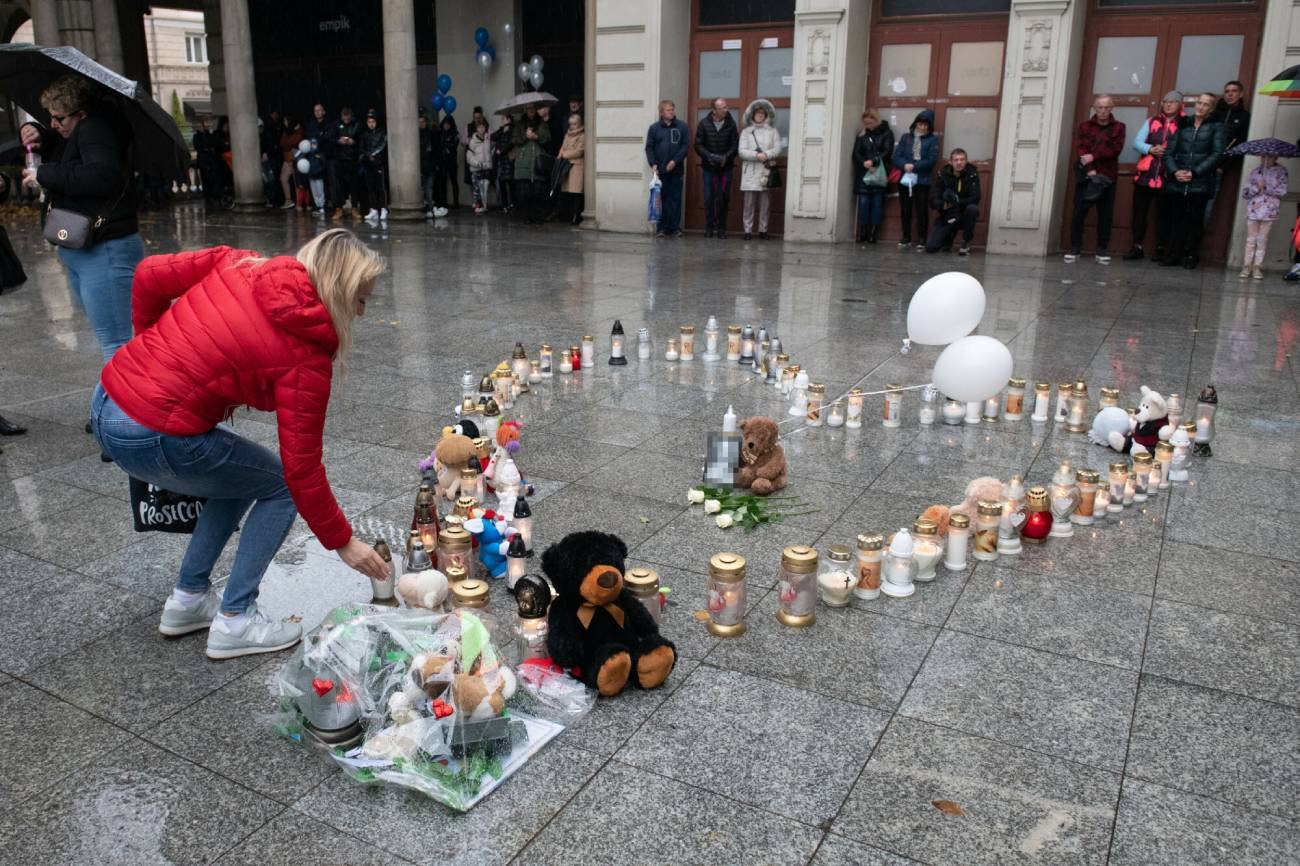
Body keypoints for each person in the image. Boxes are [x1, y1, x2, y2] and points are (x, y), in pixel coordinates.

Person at [92, 231, 390, 659]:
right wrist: (344, 542)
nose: (362, 312)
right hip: (153, 430)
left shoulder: (239, 262)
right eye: (361, 299)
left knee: (239, 474)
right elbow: (301, 469)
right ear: (339, 292)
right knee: (278, 486)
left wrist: (148, 349)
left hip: (107, 402)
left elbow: (147, 275)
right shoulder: (305, 355)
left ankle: (189, 600)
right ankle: (236, 619)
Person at [20, 76, 143, 364]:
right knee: (112, 341)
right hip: (86, 249)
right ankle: (119, 407)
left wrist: (43, 174)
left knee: (117, 346)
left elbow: (102, 176)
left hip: (105, 249)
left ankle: (123, 410)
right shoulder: (82, 130)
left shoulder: (96, 130)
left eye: (58, 118)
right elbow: (72, 155)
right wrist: (36, 131)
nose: (53, 124)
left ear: (82, 114)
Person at [1159, 92, 1226, 269]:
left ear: (1211, 108)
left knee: (1196, 220)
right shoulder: (1183, 124)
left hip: (1200, 182)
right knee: (1176, 219)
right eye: (1199, 103)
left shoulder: (1217, 127)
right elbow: (1168, 153)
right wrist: (1175, 172)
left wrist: (1195, 172)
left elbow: (1217, 154)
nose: (1201, 107)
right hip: (1178, 181)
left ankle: (1190, 254)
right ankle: (1173, 254)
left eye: (1205, 104)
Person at [1064, 95, 1126, 264]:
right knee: (1079, 213)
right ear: (1094, 108)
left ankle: (1101, 250)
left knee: (1105, 215)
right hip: (1087, 176)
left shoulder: (1119, 127)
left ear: (1112, 108)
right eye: (1100, 107)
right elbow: (1082, 148)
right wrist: (1090, 169)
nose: (1103, 111)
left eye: (1107, 107)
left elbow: (1115, 150)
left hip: (1108, 176)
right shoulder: (1085, 126)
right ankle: (1075, 248)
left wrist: (1094, 156)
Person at [1123, 91, 1184, 261]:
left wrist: (1170, 153)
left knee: (1165, 214)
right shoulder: (1152, 121)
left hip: (1168, 176)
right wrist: (1150, 149)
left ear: (1180, 105)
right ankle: (1137, 246)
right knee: (1139, 213)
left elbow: (1187, 146)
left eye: (1173, 102)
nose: (1168, 105)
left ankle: (1161, 248)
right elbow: (1137, 142)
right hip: (1145, 176)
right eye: (1166, 101)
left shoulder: (1185, 123)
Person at [892, 109, 939, 250]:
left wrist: (915, 166)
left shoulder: (933, 140)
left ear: (930, 127)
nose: (922, 127)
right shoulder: (906, 137)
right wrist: (904, 165)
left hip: (922, 180)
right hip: (905, 179)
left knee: (921, 210)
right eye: (920, 124)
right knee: (905, 209)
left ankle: (922, 239)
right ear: (915, 123)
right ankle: (906, 237)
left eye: (926, 125)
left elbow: (931, 159)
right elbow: (896, 156)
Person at [694, 97, 739, 239]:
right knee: (709, 198)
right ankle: (709, 228)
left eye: (726, 106)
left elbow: (735, 145)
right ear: (714, 110)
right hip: (709, 169)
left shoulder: (731, 124)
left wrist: (726, 157)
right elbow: (698, 145)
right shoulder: (703, 124)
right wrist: (710, 156)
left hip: (725, 169)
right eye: (723, 107)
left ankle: (721, 229)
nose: (727, 109)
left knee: (724, 198)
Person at [645, 99, 690, 238]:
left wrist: (675, 161)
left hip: (676, 170)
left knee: (675, 199)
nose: (672, 112)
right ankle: (662, 228)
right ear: (661, 112)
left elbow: (685, 146)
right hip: (660, 171)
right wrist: (653, 163)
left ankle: (675, 227)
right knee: (661, 199)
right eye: (668, 110)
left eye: (672, 109)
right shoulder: (654, 128)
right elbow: (649, 147)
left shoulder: (681, 127)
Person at [1208, 80, 1251, 225]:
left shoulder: (1244, 116)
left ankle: (1194, 244)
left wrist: (1223, 167)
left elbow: (1241, 144)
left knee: (1209, 204)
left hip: (1219, 167)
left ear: (1241, 94)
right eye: (1227, 91)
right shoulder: (1215, 113)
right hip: (1202, 162)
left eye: (1234, 91)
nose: (1230, 94)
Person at [1238, 154, 1287, 280]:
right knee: (1251, 239)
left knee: (1262, 240)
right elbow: (1246, 193)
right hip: (1254, 210)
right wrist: (1256, 187)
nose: (1266, 160)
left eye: (1270, 157)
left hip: (1269, 211)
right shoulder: (1255, 171)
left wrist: (1267, 187)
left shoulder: (1281, 171)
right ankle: (1246, 266)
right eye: (1263, 157)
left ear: (1276, 158)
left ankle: (1257, 267)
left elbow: (1282, 191)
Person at [738, 99, 781, 241]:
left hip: (765, 171)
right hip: (750, 171)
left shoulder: (773, 131)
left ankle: (763, 230)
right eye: (758, 113)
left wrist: (767, 154)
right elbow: (742, 151)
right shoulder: (746, 132)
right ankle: (748, 230)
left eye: (763, 113)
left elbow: (778, 148)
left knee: (765, 203)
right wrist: (757, 155)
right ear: (753, 115)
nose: (760, 115)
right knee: (748, 203)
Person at [925, 148, 980, 255]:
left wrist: (957, 201)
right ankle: (948, 238)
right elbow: (933, 199)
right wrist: (943, 205)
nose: (959, 162)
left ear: (966, 161)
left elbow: (976, 198)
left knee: (972, 209)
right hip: (948, 215)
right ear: (950, 162)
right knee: (931, 247)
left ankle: (966, 242)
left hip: (964, 215)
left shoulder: (972, 175)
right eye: (956, 160)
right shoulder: (943, 175)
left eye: (962, 159)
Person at [851, 109, 894, 244]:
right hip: (865, 174)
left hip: (879, 173)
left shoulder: (887, 133)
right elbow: (856, 153)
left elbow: (887, 151)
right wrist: (864, 162)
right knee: (863, 204)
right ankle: (863, 231)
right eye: (865, 123)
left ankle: (873, 233)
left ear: (876, 120)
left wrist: (874, 161)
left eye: (870, 123)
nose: (868, 126)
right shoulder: (862, 135)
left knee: (877, 204)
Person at [513, 104, 551, 223]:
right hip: (523, 161)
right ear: (525, 110)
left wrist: (536, 136)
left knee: (538, 191)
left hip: (537, 161)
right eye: (528, 109)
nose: (531, 111)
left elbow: (548, 139)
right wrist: (526, 135)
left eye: (533, 108)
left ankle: (538, 216)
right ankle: (526, 217)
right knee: (524, 192)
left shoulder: (542, 123)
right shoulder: (519, 124)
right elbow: (515, 140)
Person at [328, 107, 361, 221]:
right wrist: (338, 141)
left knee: (354, 185)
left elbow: (361, 141)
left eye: (348, 117)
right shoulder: (336, 125)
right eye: (344, 117)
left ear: (350, 116)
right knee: (338, 185)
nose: (346, 119)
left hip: (352, 158)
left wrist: (353, 142)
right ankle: (338, 208)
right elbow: (330, 139)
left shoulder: (356, 125)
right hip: (339, 158)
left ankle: (354, 208)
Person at [556, 112, 585, 225]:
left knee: (576, 193)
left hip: (576, 167)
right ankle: (568, 215)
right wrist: (561, 154)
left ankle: (576, 216)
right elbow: (562, 148)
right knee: (567, 192)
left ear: (579, 124)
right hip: (566, 167)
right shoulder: (567, 135)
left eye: (574, 124)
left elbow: (579, 151)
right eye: (570, 124)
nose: (572, 126)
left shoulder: (582, 135)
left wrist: (564, 154)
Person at [359, 109, 388, 222]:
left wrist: (374, 154)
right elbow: (361, 147)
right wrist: (367, 155)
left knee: (380, 187)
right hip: (368, 163)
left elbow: (382, 145)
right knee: (370, 187)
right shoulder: (365, 134)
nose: (371, 124)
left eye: (373, 122)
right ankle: (374, 209)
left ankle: (383, 208)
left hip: (378, 163)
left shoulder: (381, 132)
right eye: (369, 122)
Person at [466, 118, 494, 214]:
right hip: (476, 169)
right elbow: (469, 156)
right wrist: (477, 163)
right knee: (477, 189)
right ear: (476, 129)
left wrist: (489, 162)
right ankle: (478, 205)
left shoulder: (488, 139)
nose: (481, 129)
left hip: (486, 168)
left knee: (485, 188)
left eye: (483, 127)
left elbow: (490, 152)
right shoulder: (473, 141)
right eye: (479, 127)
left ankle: (484, 206)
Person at [278, 115, 304, 210]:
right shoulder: (287, 131)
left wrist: (287, 144)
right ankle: (288, 200)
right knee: (283, 178)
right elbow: (282, 144)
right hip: (287, 158)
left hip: (296, 159)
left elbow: (291, 143)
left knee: (298, 182)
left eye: (286, 121)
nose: (284, 123)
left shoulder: (299, 130)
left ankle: (300, 203)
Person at [192, 116, 219, 205]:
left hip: (211, 159)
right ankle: (207, 196)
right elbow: (198, 146)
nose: (205, 126)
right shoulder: (197, 136)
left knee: (213, 179)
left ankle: (213, 196)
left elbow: (213, 143)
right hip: (203, 159)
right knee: (205, 179)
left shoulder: (210, 135)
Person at [438, 114, 462, 210]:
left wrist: (445, 147)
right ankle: (443, 202)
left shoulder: (455, 134)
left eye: (448, 124)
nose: (446, 126)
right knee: (443, 182)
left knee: (454, 181)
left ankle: (456, 202)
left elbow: (452, 146)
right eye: (445, 124)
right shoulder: (441, 133)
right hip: (443, 161)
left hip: (451, 161)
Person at [493, 113, 515, 213]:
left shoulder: (512, 130)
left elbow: (511, 143)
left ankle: (512, 204)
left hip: (509, 160)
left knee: (511, 184)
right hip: (501, 161)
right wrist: (501, 130)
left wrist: (501, 151)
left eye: (503, 119)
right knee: (501, 184)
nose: (502, 120)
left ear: (509, 120)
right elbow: (492, 137)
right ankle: (505, 205)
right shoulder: (502, 130)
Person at [418, 112, 436, 217]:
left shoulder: (431, 134)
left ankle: (430, 207)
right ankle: (427, 207)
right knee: (424, 188)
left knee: (428, 188)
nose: (421, 124)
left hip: (429, 165)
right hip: (421, 166)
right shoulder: (416, 135)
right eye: (419, 122)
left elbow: (434, 150)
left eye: (422, 122)